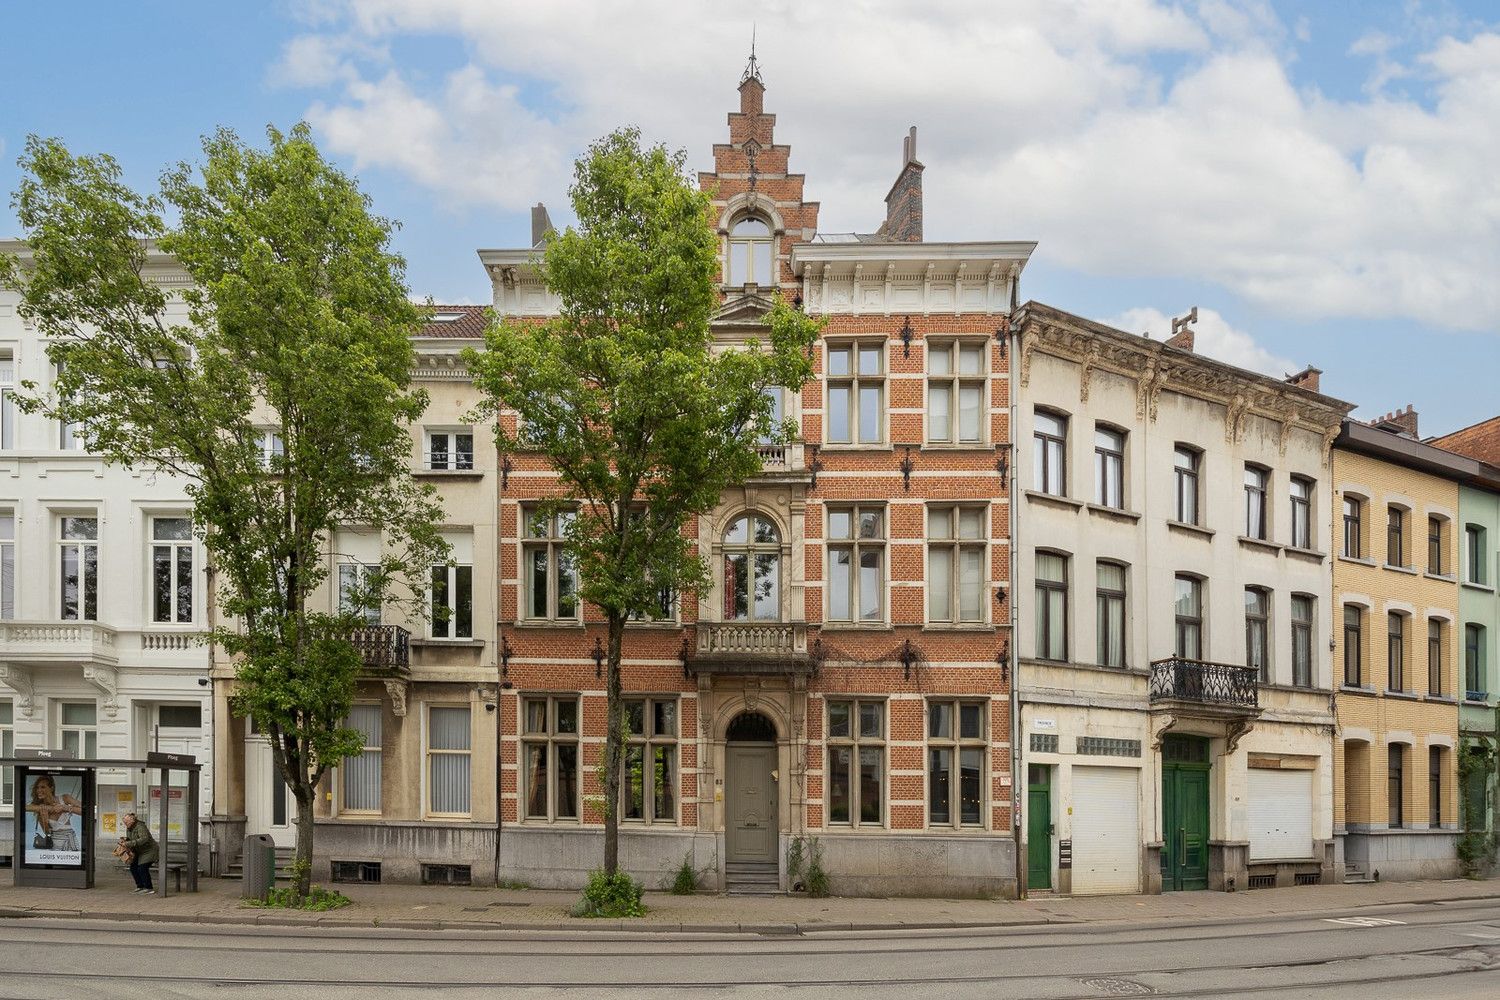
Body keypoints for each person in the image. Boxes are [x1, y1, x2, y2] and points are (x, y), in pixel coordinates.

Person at [24, 775, 82, 852]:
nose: (39, 790)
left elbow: (84, 809)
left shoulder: (64, 798)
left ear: (51, 788)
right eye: (37, 787)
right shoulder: (40, 807)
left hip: (71, 841)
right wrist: (45, 820)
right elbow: (47, 832)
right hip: (55, 844)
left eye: (43, 787)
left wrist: (65, 808)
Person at [120, 812, 158, 893]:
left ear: (132, 820)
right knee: (133, 867)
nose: (125, 824)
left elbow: (144, 839)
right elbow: (131, 839)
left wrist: (129, 843)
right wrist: (125, 841)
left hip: (149, 851)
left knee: (142, 867)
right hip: (140, 851)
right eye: (124, 822)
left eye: (126, 822)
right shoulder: (129, 828)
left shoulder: (140, 826)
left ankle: (148, 888)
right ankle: (140, 886)